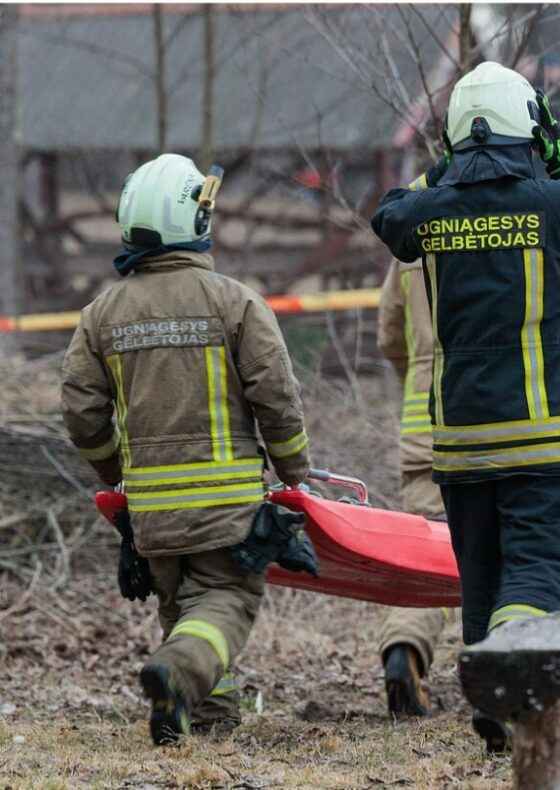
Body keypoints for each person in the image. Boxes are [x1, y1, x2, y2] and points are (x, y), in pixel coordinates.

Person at [370, 61, 560, 747]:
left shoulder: (429, 211)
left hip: (462, 443)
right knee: (537, 573)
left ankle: (495, 718)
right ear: (532, 129)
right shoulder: (551, 198)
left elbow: (390, 215)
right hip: (543, 438)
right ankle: (502, 676)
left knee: (483, 580)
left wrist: (449, 168)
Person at [61, 154, 311, 744]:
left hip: (153, 510)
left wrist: (115, 472)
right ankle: (177, 676)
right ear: (193, 221)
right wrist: (294, 469)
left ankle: (202, 714)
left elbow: (81, 410)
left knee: (181, 608)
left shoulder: (101, 315)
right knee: (226, 601)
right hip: (227, 508)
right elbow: (276, 396)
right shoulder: (235, 302)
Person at [374, 260, 457, 718]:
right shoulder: (509, 222)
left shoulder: (408, 250)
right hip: (495, 430)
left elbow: (389, 335)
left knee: (431, 561)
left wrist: (417, 376)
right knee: (507, 558)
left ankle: (404, 646)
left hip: (423, 432)